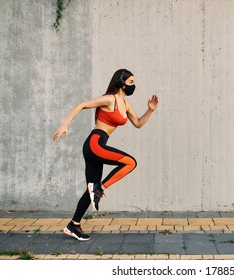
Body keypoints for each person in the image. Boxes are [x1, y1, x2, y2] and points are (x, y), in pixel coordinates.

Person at [53, 69, 159, 241]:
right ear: (120, 83)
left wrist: (150, 110)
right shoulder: (110, 99)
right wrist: (65, 124)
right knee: (130, 163)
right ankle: (100, 189)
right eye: (130, 82)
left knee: (90, 190)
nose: (133, 86)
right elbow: (82, 105)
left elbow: (138, 123)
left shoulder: (126, 104)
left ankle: (73, 225)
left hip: (99, 145)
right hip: (94, 143)